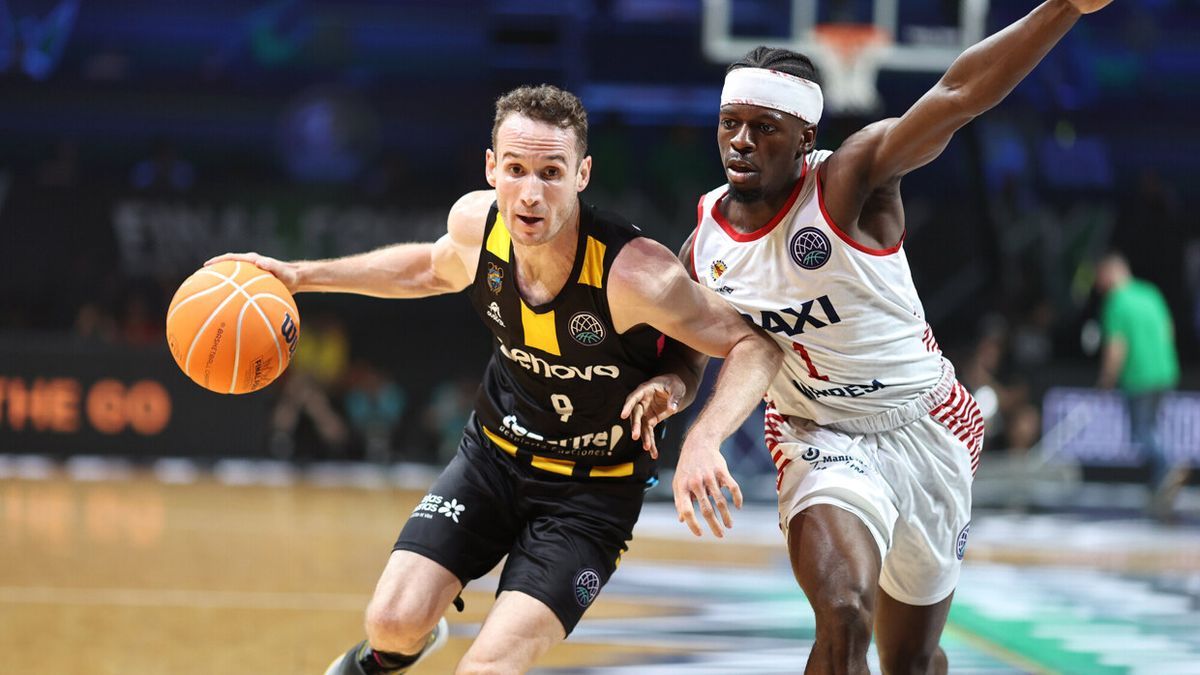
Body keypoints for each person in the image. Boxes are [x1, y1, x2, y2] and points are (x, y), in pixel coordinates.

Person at [208, 84, 780, 675]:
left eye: (551, 172)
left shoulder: (634, 273)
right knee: (392, 623)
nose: (531, 193)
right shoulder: (477, 225)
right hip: (493, 461)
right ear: (491, 169)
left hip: (591, 495)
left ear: (582, 174)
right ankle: (390, 654)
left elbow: (751, 344)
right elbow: (427, 270)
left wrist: (703, 435)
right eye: (516, 169)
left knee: (486, 669)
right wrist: (300, 275)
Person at [672, 1, 1114, 673]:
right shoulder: (701, 245)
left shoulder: (850, 177)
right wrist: (664, 396)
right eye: (730, 124)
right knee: (845, 609)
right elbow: (676, 353)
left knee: (910, 659)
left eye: (764, 128)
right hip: (816, 430)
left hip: (927, 423)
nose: (740, 141)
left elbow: (959, 94)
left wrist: (1061, 9)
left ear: (804, 136)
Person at [1095, 251, 1185, 522]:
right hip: (1166, 371)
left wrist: (1107, 379)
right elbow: (1169, 329)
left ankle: (1168, 466)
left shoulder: (1117, 302)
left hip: (1139, 376)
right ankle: (1159, 489)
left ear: (1111, 273)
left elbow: (1116, 347)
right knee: (1152, 428)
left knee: (1142, 431)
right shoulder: (1150, 293)